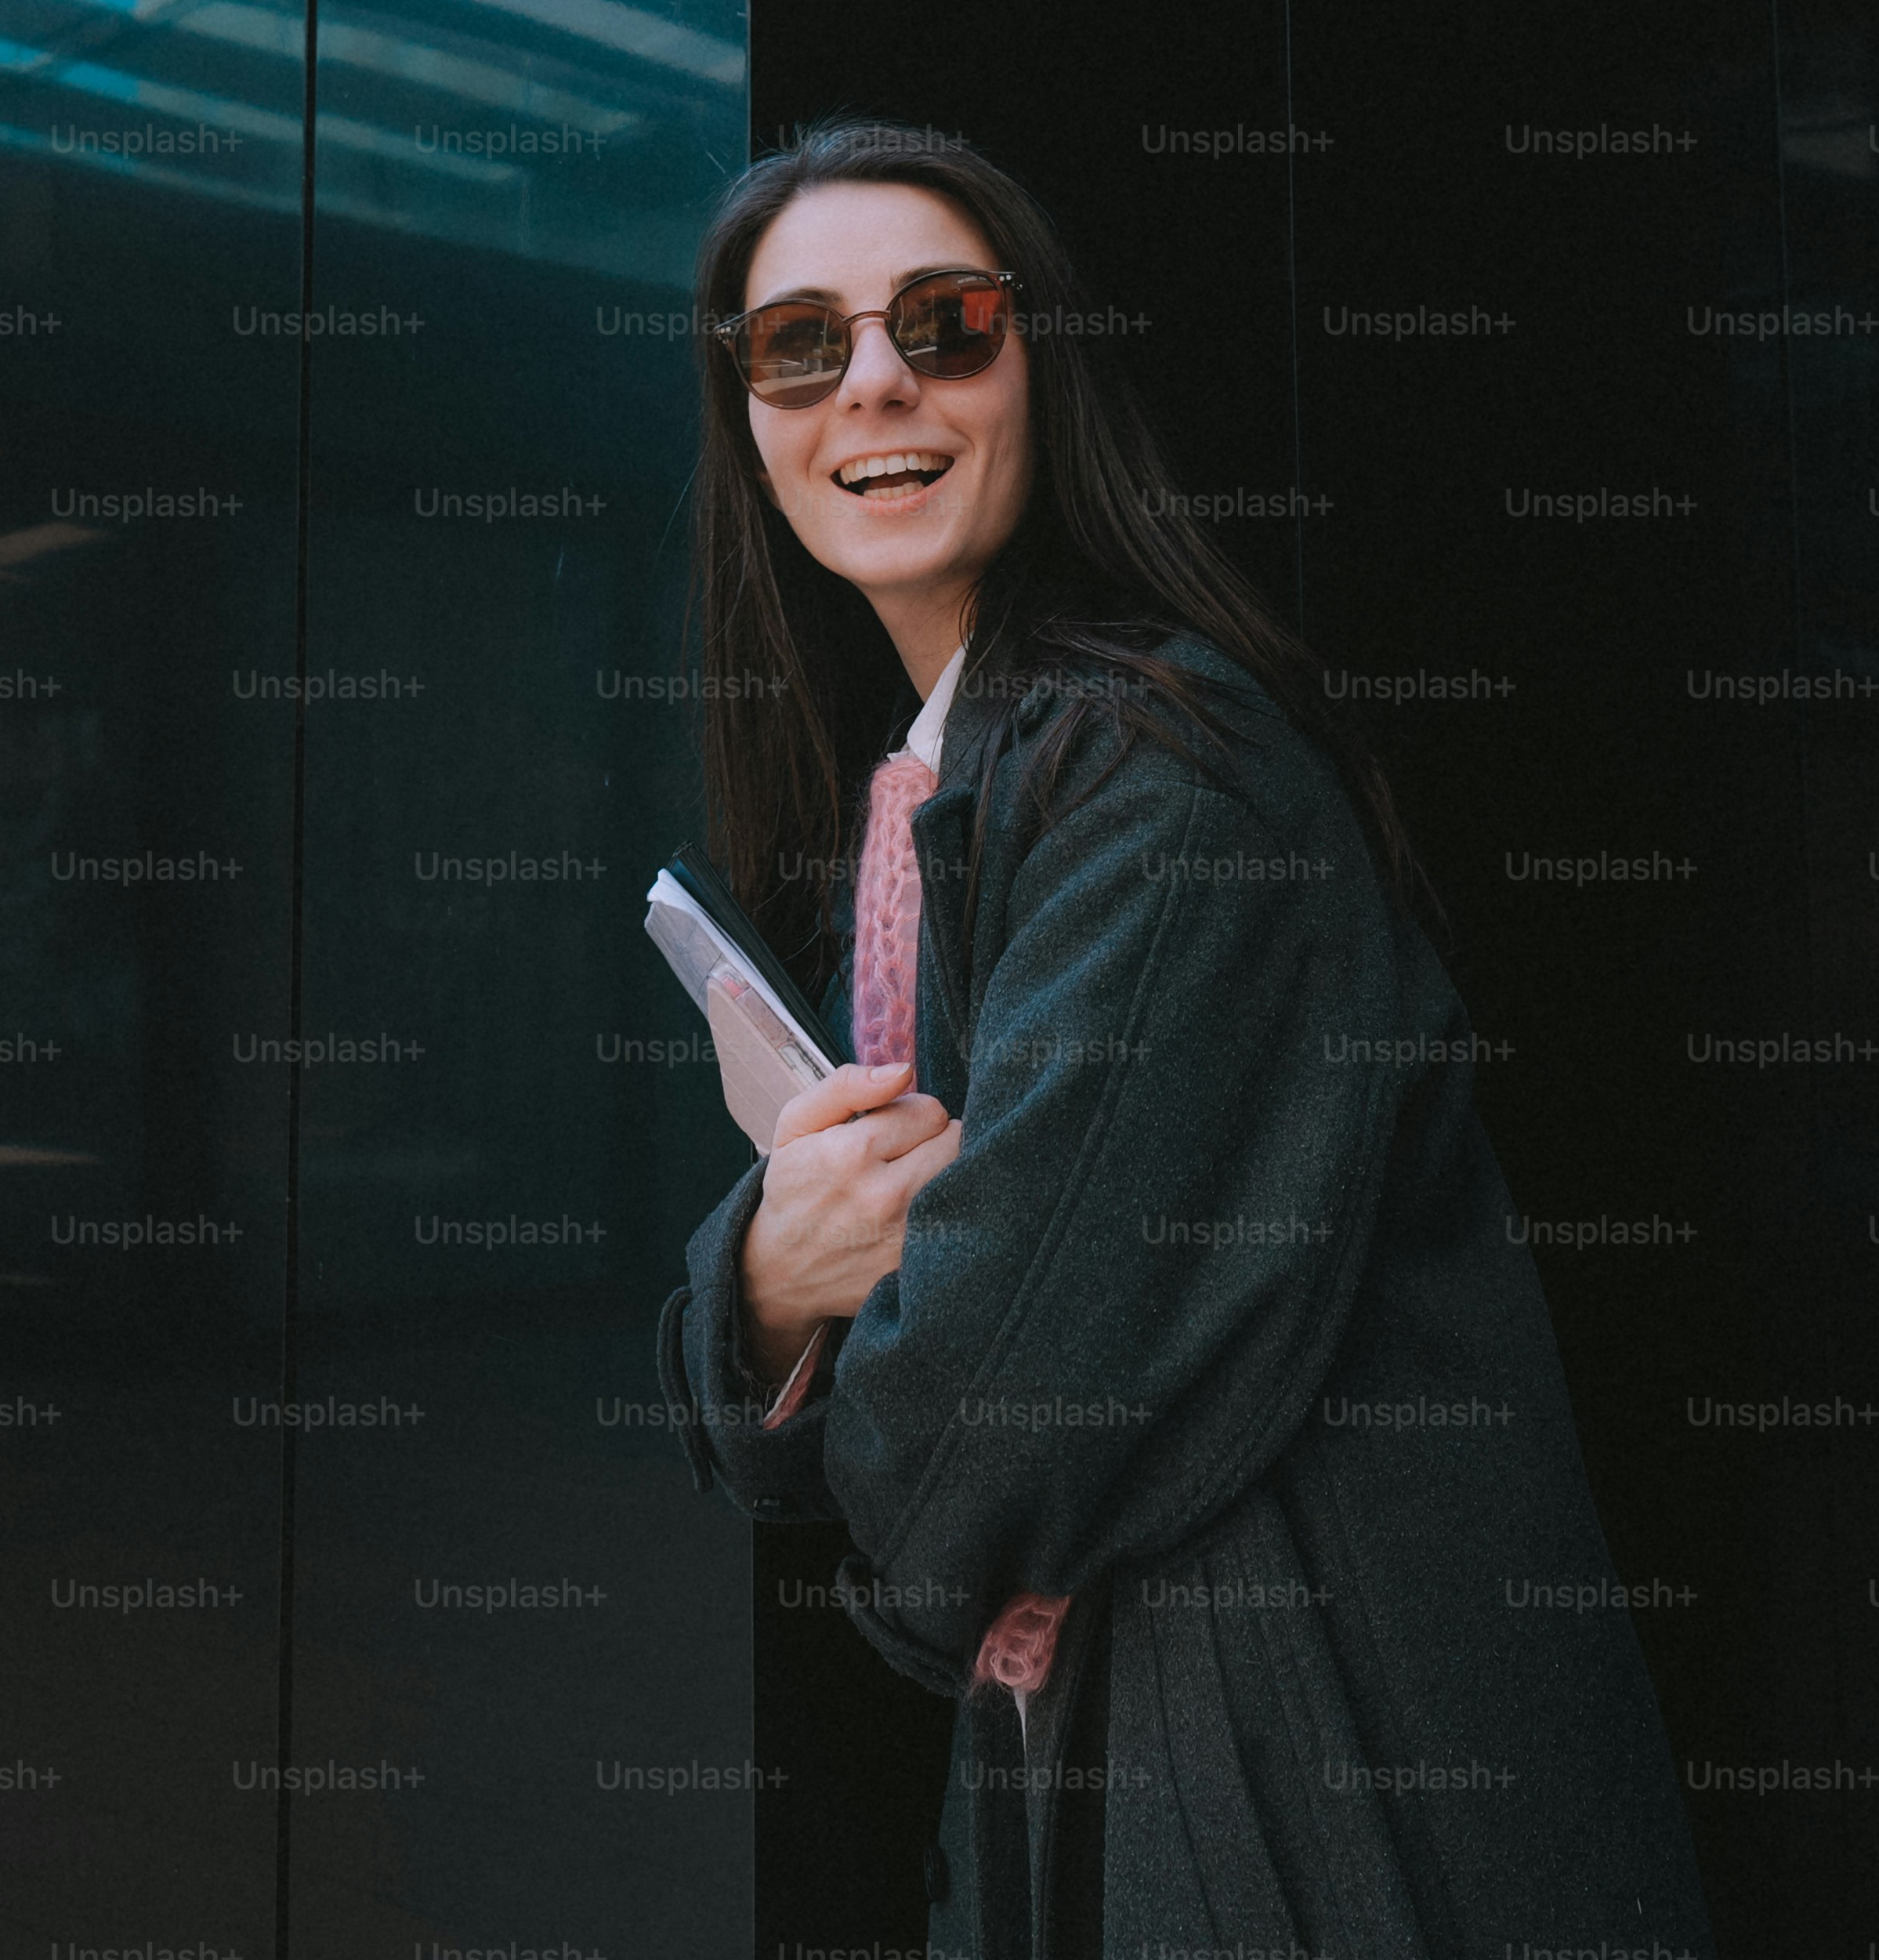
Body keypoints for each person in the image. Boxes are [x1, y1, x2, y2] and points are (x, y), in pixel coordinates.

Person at [650, 119, 1711, 1960]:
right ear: (750, 415)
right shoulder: (942, 783)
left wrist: (843, 1369)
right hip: (1143, 1748)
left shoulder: (1163, 776)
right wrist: (759, 1284)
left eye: (947, 319)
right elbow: (836, 1399)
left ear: (1041, 361)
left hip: (1310, 1768)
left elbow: (991, 1420)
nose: (875, 378)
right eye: (800, 343)